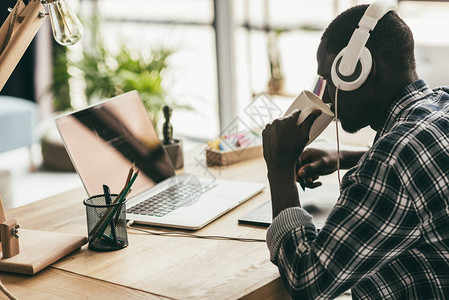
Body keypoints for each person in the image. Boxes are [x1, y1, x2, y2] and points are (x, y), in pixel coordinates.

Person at [262, 3, 449, 299]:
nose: (325, 97)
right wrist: (347, 158)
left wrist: (280, 169)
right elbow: (424, 168)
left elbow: (307, 281)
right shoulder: (441, 105)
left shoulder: (393, 160)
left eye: (328, 80)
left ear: (358, 71)